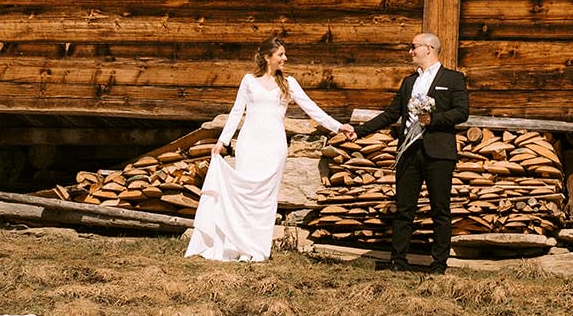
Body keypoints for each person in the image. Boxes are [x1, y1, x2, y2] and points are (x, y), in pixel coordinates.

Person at [186, 37, 345, 263]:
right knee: (244, 194)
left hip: (274, 146)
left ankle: (257, 249)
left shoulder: (289, 83)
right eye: (281, 54)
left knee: (265, 198)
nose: (285, 58)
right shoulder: (249, 81)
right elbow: (236, 111)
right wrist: (222, 140)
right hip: (249, 143)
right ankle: (239, 245)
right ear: (267, 57)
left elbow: (312, 109)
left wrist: (338, 126)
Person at [343, 32, 469, 273]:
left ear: (429, 49)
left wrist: (434, 119)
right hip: (408, 152)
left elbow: (462, 112)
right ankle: (398, 261)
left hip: (438, 152)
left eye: (413, 47)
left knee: (440, 208)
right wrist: (359, 132)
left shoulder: (453, 79)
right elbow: (391, 114)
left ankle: (439, 264)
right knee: (404, 208)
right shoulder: (408, 82)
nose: (410, 52)